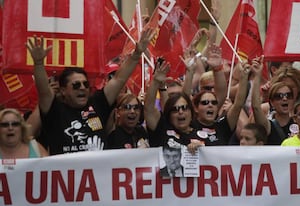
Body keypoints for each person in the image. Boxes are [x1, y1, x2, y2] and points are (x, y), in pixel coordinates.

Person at [26, 28, 155, 155]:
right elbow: (43, 89)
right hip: (67, 175)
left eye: (85, 84)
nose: (82, 87)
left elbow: (119, 79)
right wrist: (38, 63)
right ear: (63, 90)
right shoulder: (54, 109)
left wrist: (137, 54)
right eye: (76, 85)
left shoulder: (98, 103)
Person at [144, 60, 206, 154]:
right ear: (169, 114)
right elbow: (148, 108)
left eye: (184, 108)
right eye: (175, 110)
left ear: (191, 111)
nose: (180, 112)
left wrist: (202, 149)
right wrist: (156, 81)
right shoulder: (161, 128)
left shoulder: (201, 133)